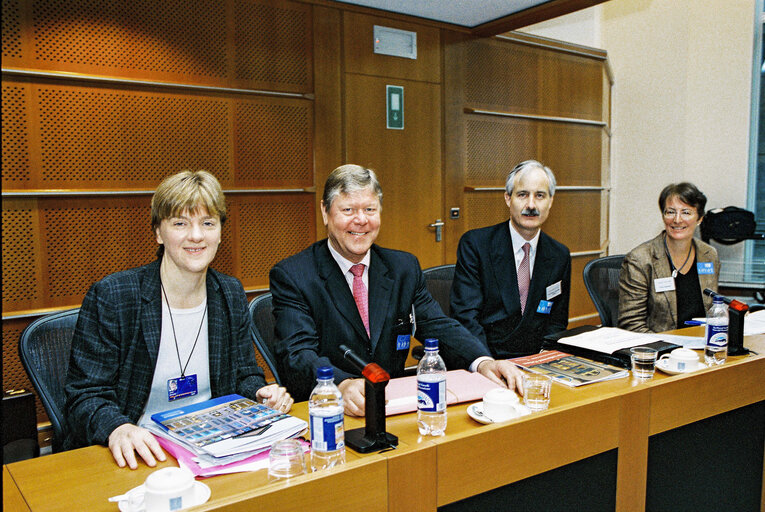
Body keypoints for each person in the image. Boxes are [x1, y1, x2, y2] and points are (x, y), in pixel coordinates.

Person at [64, 170, 293, 469]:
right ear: (159, 232)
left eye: (207, 223)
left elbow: (243, 375)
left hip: (212, 445)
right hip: (141, 451)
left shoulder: (230, 292)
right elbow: (85, 396)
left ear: (220, 232)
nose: (196, 235)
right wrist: (117, 428)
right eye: (180, 223)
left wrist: (259, 392)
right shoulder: (115, 296)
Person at [269, 164, 523, 415]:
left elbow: (438, 325)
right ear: (325, 212)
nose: (361, 220)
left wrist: (483, 362)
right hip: (328, 412)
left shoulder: (403, 267)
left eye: (370, 209)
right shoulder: (294, 276)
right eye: (348, 210)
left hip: (394, 406)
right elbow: (297, 354)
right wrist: (341, 384)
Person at [450, 160, 571, 357]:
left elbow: (556, 322)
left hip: (536, 363)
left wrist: (544, 359)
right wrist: (486, 363)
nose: (531, 205)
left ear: (551, 201)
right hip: (486, 358)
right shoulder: (476, 245)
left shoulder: (559, 255)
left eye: (540, 196)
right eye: (522, 195)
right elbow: (466, 318)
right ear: (508, 198)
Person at [618, 182, 719, 332]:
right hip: (660, 348)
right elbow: (631, 323)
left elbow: (712, 309)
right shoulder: (640, 259)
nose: (677, 220)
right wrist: (669, 348)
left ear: (699, 219)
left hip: (702, 344)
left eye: (686, 212)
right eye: (670, 212)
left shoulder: (709, 255)